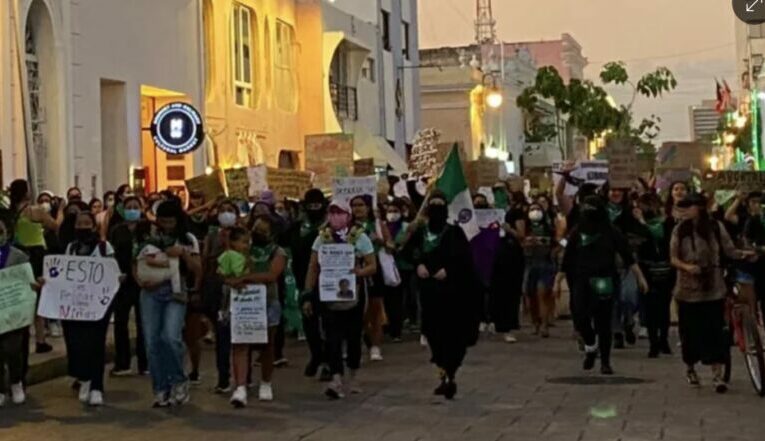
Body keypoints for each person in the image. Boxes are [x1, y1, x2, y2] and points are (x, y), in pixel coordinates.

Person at [671, 194, 753, 392]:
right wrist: (687, 267)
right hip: (687, 290)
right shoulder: (679, 230)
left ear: (699, 207)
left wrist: (745, 254)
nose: (685, 211)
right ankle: (690, 368)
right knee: (689, 333)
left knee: (715, 332)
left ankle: (717, 375)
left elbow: (729, 250)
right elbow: (673, 258)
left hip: (713, 288)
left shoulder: (716, 227)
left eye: (688, 207)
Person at [560, 195, 649, 375]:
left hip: (604, 279)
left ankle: (606, 362)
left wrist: (640, 277)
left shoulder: (611, 231)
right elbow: (568, 257)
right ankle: (591, 346)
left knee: (603, 321)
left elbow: (627, 255)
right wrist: (558, 279)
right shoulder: (578, 231)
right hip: (581, 279)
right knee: (581, 317)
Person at [405, 191, 480, 399]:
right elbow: (408, 251)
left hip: (452, 293)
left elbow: (465, 259)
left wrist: (449, 269)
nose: (436, 208)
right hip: (429, 293)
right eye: (433, 204)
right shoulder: (420, 232)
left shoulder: (455, 232)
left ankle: (451, 374)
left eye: (440, 204)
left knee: (453, 335)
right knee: (433, 334)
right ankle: (443, 372)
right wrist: (418, 263)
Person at [302, 200, 377, 399]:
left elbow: (372, 265)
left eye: (340, 213)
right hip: (328, 296)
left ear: (348, 215)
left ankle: (354, 375)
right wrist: (307, 294)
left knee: (353, 337)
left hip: (354, 295)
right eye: (332, 212)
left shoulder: (360, 237)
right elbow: (312, 266)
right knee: (331, 338)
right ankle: (336, 378)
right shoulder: (322, 238)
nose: (336, 217)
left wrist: (358, 272)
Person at [135, 199, 201, 408]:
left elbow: (197, 269)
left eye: (171, 221)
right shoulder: (148, 237)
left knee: (170, 337)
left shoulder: (188, 238)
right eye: (163, 221)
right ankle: (160, 387)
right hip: (150, 291)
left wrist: (182, 253)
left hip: (175, 290)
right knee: (152, 342)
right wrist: (142, 282)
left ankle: (179, 379)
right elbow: (135, 262)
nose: (167, 225)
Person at [226, 216, 287, 404]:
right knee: (240, 344)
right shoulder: (244, 247)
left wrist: (245, 279)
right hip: (243, 302)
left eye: (263, 230)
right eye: (256, 228)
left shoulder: (278, 251)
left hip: (268, 301)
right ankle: (241, 386)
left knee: (267, 345)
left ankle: (266, 382)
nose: (258, 233)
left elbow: (272, 274)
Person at [59, 211, 116, 407]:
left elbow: (112, 270)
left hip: (98, 305)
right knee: (77, 343)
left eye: (86, 223)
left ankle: (97, 387)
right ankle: (84, 378)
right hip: (76, 304)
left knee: (96, 344)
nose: (83, 227)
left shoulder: (103, 247)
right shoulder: (71, 248)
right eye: (79, 223)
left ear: (93, 225)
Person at [8, 179, 61, 359]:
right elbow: (55, 225)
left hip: (17, 254)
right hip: (36, 254)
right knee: (38, 296)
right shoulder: (34, 211)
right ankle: (40, 339)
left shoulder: (11, 213)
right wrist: (59, 210)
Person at [289, 189, 329, 380]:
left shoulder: (332, 227)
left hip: (328, 280)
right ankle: (316, 355)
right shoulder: (297, 227)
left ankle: (330, 362)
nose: (314, 209)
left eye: (317, 206)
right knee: (309, 322)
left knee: (330, 323)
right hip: (303, 279)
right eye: (310, 206)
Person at [202, 199, 240, 393]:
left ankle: (243, 376)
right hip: (218, 288)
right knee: (222, 334)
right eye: (222, 210)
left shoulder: (243, 234)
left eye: (230, 210)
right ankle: (223, 377)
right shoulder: (211, 236)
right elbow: (206, 260)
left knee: (241, 336)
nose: (226, 214)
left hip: (240, 288)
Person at [108, 196, 148, 376]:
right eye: (129, 207)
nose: (132, 210)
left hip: (143, 280)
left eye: (135, 206)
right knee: (121, 322)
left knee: (144, 322)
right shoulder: (117, 230)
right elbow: (112, 253)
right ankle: (123, 362)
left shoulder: (147, 228)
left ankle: (145, 362)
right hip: (123, 281)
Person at [633, 193, 675, 358]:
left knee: (664, 307)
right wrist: (642, 223)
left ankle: (663, 339)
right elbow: (640, 242)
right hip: (647, 269)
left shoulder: (667, 222)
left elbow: (668, 240)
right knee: (649, 306)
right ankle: (653, 342)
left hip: (666, 268)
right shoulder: (638, 225)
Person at [0, 209, 33, 406]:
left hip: (13, 310)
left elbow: (27, 281)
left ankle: (16, 382)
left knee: (13, 348)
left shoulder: (19, 256)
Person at [350, 195, 386, 362]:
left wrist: (378, 240)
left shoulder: (377, 225)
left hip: (372, 269)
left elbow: (392, 245)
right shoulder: (346, 226)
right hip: (353, 270)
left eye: (361, 205)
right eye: (354, 205)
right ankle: (364, 338)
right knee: (357, 310)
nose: (357, 208)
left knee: (375, 309)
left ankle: (376, 346)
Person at [522, 202, 558, 338]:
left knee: (542, 294)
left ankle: (544, 325)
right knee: (531, 296)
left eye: (537, 209)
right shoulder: (525, 228)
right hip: (530, 264)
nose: (535, 212)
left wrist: (556, 250)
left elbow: (561, 241)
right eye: (532, 209)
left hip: (546, 263)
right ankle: (535, 323)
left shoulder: (550, 228)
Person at [381, 199, 412, 342]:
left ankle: (397, 329)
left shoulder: (407, 227)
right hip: (386, 267)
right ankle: (387, 325)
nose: (392, 214)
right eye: (389, 211)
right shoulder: (382, 227)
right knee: (387, 299)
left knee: (398, 299)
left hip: (403, 267)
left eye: (395, 211)